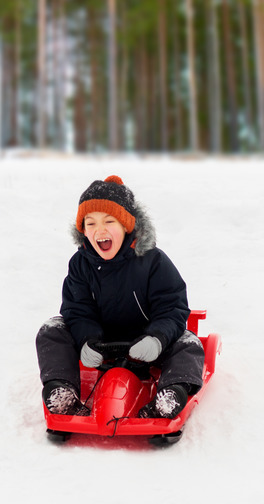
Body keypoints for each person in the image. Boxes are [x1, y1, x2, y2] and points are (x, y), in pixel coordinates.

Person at [35, 175, 205, 418]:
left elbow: (172, 308)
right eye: (90, 223)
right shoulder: (80, 264)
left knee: (188, 343)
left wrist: (156, 338)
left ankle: (170, 394)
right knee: (52, 330)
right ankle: (62, 392)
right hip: (100, 346)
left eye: (109, 221)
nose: (99, 230)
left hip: (148, 345)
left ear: (126, 225)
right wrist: (87, 340)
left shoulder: (153, 261)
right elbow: (76, 309)